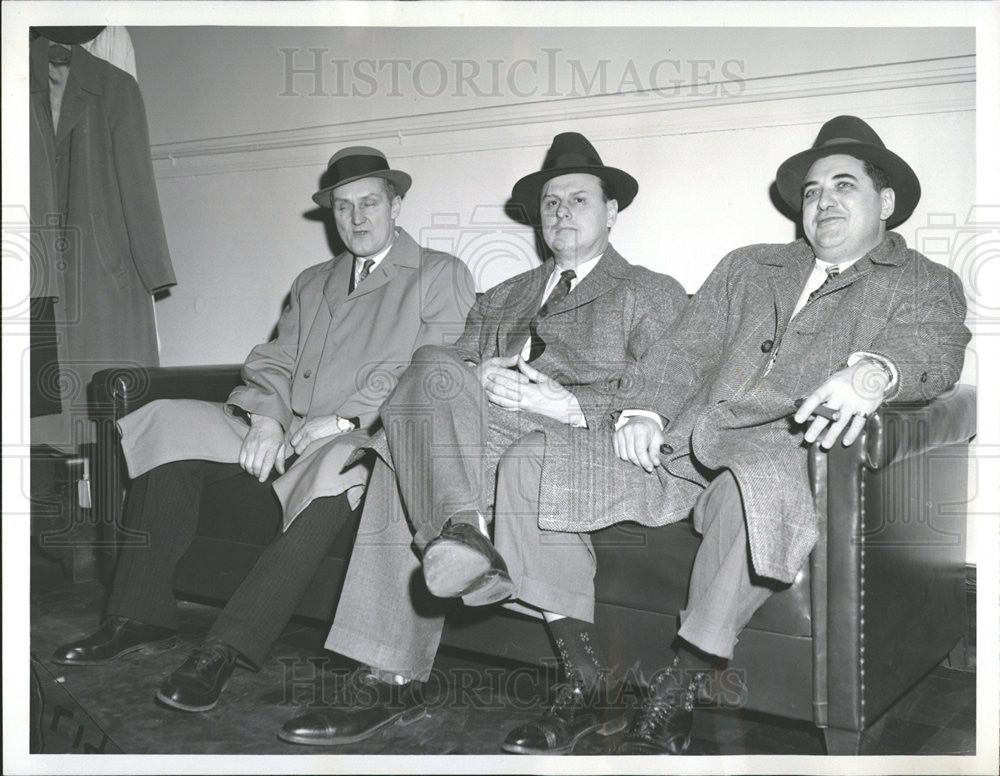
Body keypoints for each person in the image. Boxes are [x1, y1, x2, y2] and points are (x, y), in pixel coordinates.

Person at [513, 115, 969, 754]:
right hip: (677, 450)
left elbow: (934, 349)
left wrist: (874, 373)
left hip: (774, 457)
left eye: (844, 186)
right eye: (812, 191)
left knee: (747, 485)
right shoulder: (749, 267)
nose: (823, 202)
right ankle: (586, 679)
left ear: (886, 203)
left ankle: (680, 688)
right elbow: (681, 351)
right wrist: (642, 409)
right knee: (534, 457)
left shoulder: (921, 282)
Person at [278, 132, 689, 753]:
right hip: (486, 440)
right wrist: (473, 376)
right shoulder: (504, 296)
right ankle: (456, 546)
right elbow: (431, 379)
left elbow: (671, 390)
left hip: (591, 447)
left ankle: (399, 656)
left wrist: (573, 404)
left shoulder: (651, 292)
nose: (561, 213)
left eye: (578, 200)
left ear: (611, 211)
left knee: (401, 447)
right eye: (550, 203)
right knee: (427, 381)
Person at [51, 147, 476, 713]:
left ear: (396, 205)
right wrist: (267, 418)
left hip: (368, 435)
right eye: (343, 207)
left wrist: (348, 418)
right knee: (169, 420)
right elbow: (273, 359)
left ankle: (225, 649)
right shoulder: (313, 280)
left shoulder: (439, 273)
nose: (356, 218)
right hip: (292, 427)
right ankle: (136, 614)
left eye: (370, 203)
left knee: (338, 464)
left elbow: (439, 367)